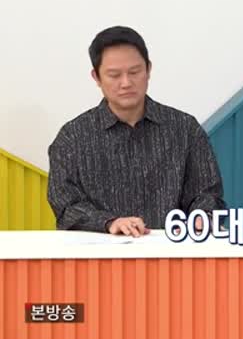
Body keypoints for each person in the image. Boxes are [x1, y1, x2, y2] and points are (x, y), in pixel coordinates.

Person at [47, 26, 226, 236]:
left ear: (148, 70)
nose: (126, 83)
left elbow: (207, 193)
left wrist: (202, 216)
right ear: (96, 77)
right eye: (114, 75)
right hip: (101, 252)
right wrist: (109, 222)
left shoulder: (185, 129)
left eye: (134, 72)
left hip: (171, 250)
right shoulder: (73, 137)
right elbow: (66, 206)